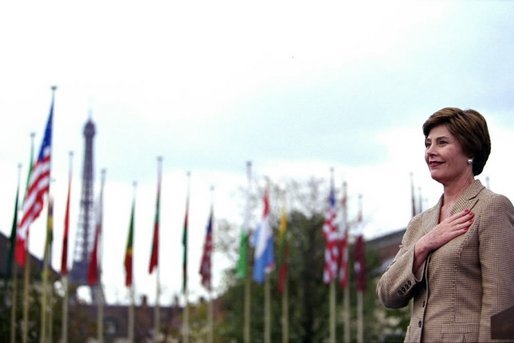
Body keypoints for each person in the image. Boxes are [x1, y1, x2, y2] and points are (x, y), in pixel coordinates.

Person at [377, 107, 514, 342]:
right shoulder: (419, 224)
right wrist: (423, 246)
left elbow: (502, 304)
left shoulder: (492, 207)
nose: (431, 151)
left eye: (442, 143)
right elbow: (388, 295)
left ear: (469, 150)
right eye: (428, 144)